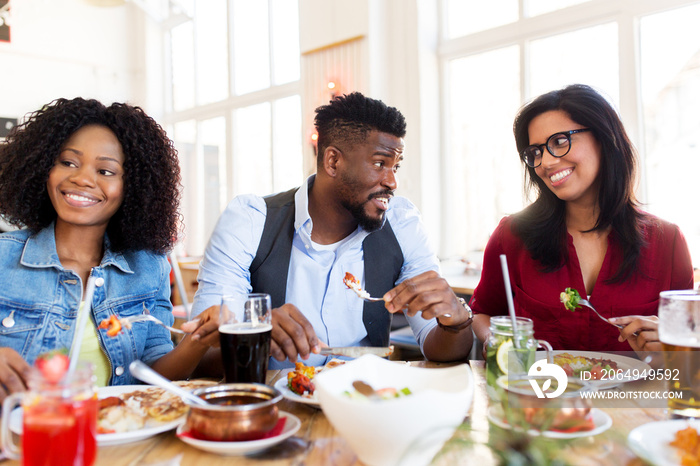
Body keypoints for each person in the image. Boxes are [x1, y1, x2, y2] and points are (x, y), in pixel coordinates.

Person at [191, 92, 473, 369]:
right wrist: (255, 332)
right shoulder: (249, 221)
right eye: (380, 164)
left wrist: (456, 323)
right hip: (276, 403)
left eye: (395, 166)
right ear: (333, 162)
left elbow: (439, 349)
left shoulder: (402, 223)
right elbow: (201, 356)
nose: (392, 181)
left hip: (367, 402)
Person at [0, 97, 219, 400]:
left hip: (121, 439)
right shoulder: (4, 260)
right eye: (67, 162)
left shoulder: (148, 268)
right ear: (43, 169)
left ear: (133, 188)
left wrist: (198, 340)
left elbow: (156, 373)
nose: (82, 178)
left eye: (105, 171)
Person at [470, 84, 693, 355]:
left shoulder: (666, 241)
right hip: (540, 395)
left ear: (604, 137)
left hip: (636, 396)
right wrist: (496, 343)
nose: (546, 163)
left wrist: (671, 342)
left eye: (560, 142)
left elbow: (687, 344)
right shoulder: (513, 235)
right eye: (536, 152)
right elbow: (482, 312)